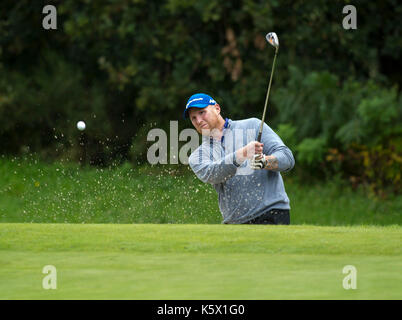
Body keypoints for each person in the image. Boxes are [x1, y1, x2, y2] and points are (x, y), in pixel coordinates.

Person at [183, 93, 295, 225]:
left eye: (202, 112)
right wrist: (242, 154)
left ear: (217, 108)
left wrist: (265, 161)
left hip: (272, 212)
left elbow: (287, 158)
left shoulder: (253, 125)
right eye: (193, 118)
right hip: (235, 222)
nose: (199, 120)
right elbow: (213, 174)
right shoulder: (198, 156)